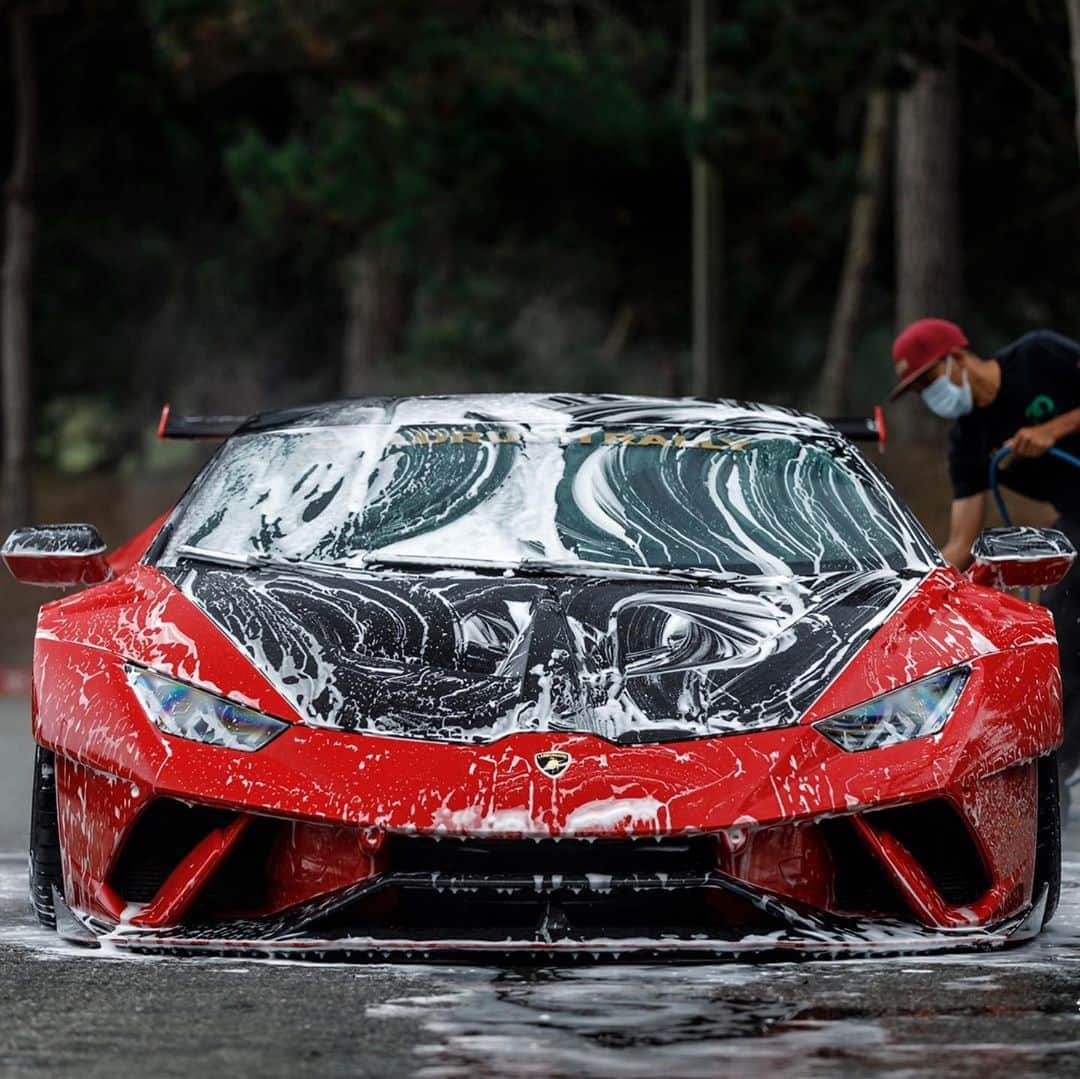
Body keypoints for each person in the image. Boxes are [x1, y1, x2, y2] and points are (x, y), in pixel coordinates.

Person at [889, 318, 1080, 794]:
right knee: (1061, 632)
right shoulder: (966, 442)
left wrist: (1053, 429)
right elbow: (960, 541)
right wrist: (910, 595)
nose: (930, 397)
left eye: (929, 381)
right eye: (918, 392)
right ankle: (1063, 771)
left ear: (955, 358)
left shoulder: (1039, 355)